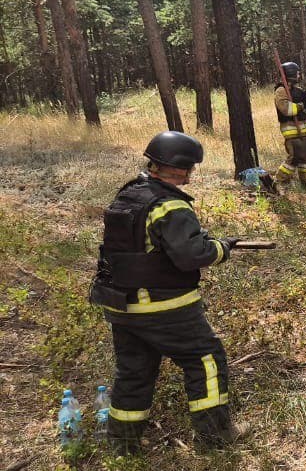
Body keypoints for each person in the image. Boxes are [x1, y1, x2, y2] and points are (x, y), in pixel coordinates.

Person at [90, 131, 239, 453]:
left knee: (134, 372)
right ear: (182, 168)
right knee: (205, 360)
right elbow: (191, 257)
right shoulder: (170, 206)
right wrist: (220, 248)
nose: (191, 175)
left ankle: (123, 445)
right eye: (190, 169)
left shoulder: (128, 196)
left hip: (121, 306)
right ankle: (215, 440)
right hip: (163, 308)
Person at [273, 61, 306, 192]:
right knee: (294, 158)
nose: (299, 75)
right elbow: (286, 109)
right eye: (298, 73)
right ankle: (280, 182)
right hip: (292, 132)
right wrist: (301, 106)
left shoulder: (297, 91)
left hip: (305, 131)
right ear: (291, 74)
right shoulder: (281, 91)